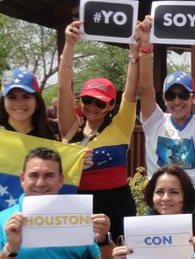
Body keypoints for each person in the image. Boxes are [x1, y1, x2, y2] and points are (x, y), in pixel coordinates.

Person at [57, 20, 140, 241]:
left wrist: (134, 51)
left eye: (100, 103)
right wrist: (69, 45)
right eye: (87, 100)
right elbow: (63, 89)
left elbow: (131, 92)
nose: (92, 107)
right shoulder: (70, 127)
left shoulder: (120, 127)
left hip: (117, 206)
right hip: (77, 206)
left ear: (112, 105)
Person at [140, 17, 195, 225]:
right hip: (161, 202)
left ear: (193, 98)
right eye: (171, 95)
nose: (177, 101)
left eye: (184, 95)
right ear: (164, 99)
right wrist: (146, 48)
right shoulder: (155, 121)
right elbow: (146, 88)